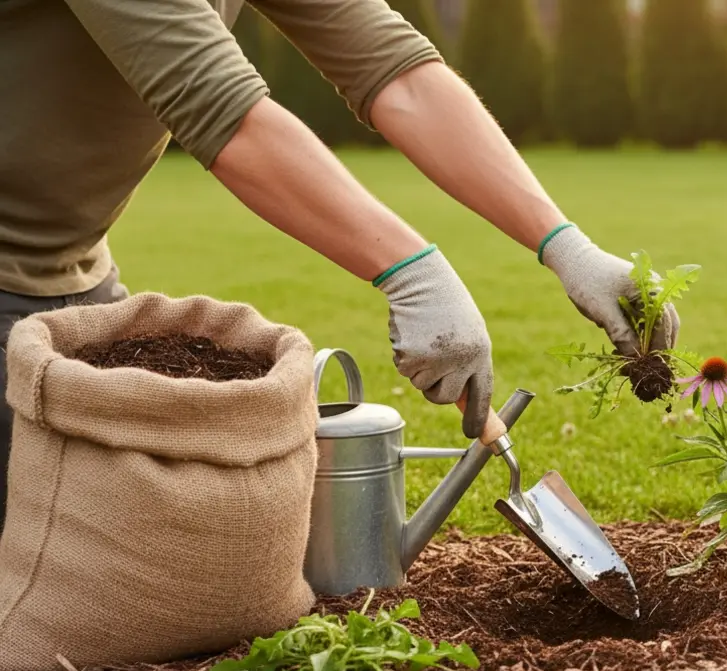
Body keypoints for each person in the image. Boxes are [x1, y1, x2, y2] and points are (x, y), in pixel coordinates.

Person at [0, 0, 679, 530]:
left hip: (72, 275)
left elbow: (393, 69)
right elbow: (217, 107)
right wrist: (412, 271)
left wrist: (566, 246)